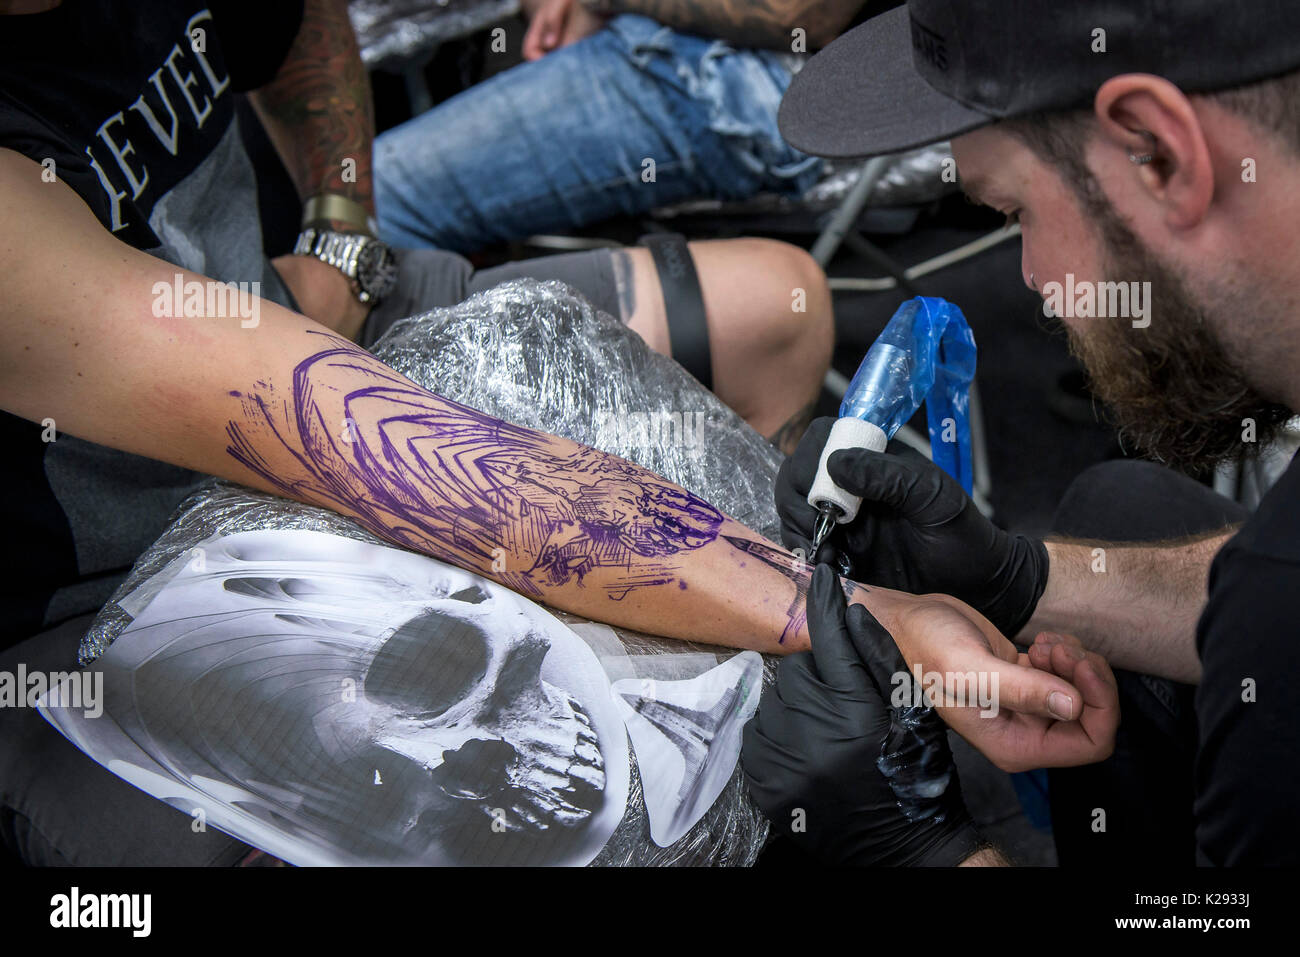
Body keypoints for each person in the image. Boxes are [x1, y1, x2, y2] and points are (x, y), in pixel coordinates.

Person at [0, 0, 1093, 864]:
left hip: (340, 327)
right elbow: (409, 455)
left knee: (777, 306)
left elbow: (295, 31)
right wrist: (864, 615)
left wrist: (339, 232)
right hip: (114, 561)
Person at [743, 0, 1300, 866]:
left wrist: (926, 847)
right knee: (1121, 508)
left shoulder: (1278, 616)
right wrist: (1016, 578)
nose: (1034, 281)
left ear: (1157, 151)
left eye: (1015, 214)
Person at [373, 0, 875, 253]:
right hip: (667, 38)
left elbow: (794, 12)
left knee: (366, 202)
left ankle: (403, 436)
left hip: (741, 77)